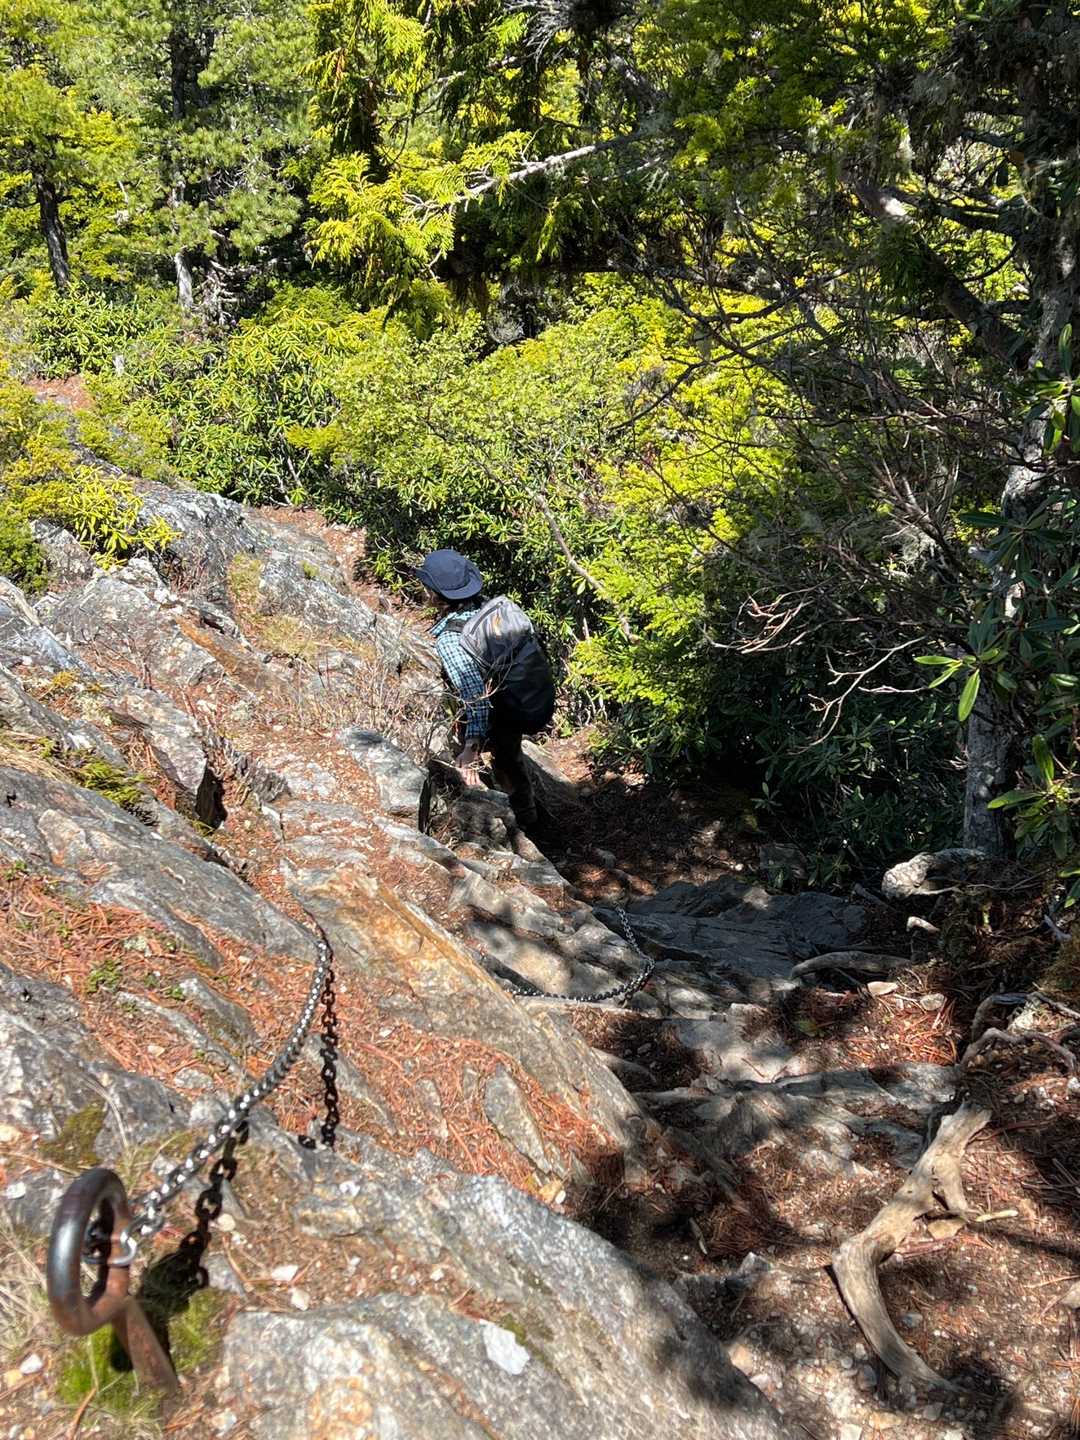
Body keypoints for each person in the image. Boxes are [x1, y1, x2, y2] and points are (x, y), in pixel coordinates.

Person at [416, 548, 547, 829]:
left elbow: (474, 695)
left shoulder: (451, 639)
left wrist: (471, 748)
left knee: (505, 758)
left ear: (435, 594)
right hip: (519, 697)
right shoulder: (494, 608)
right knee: (510, 756)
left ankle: (523, 823)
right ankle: (530, 814)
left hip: (500, 709)